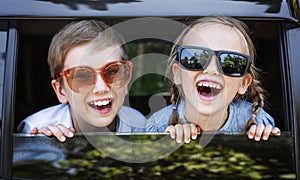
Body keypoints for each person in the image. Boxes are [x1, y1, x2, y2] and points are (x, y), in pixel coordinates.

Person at [146, 16, 280, 143]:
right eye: (196, 58)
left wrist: (264, 139)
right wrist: (169, 141)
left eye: (230, 61)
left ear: (243, 83)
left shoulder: (257, 119)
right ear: (178, 74)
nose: (212, 70)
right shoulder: (158, 125)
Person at [17, 20, 146, 142]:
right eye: (82, 76)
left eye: (112, 71)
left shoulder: (139, 125)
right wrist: (41, 148)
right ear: (61, 91)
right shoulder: (34, 129)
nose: (101, 88)